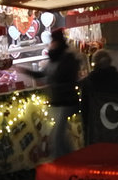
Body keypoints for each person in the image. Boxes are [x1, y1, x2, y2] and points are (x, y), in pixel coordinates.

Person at [24, 30, 80, 159]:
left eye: (52, 41)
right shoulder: (55, 58)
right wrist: (23, 70)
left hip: (66, 102)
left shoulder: (68, 59)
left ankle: (62, 162)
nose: (50, 44)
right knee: (59, 137)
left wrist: (52, 83)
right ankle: (71, 160)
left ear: (57, 42)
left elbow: (66, 78)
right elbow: (41, 74)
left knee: (56, 137)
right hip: (57, 102)